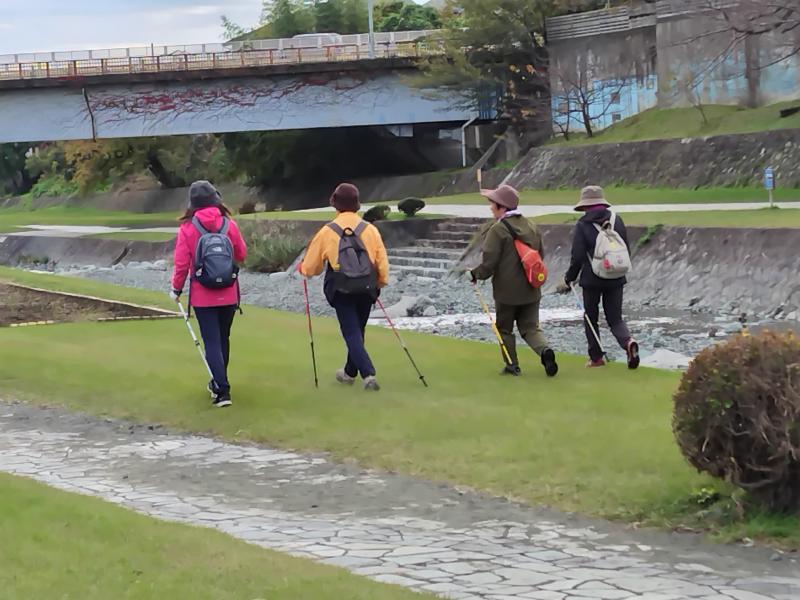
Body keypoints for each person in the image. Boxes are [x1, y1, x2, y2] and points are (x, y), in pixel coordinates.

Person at [299, 183, 389, 391]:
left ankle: (368, 374)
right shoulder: (371, 230)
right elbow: (381, 261)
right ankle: (349, 372)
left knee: (351, 332)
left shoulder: (327, 231)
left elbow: (311, 267)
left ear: (335, 203)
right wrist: (381, 282)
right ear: (357, 204)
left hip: (342, 287)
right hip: (367, 286)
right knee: (358, 329)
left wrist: (303, 269)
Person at [170, 181, 248, 407]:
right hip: (229, 291)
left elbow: (181, 264)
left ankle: (222, 390)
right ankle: (219, 381)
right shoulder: (228, 224)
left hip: (203, 294)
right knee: (223, 338)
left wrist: (176, 289)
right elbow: (241, 254)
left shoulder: (187, 228)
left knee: (211, 341)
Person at [470, 184, 558, 378]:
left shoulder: (498, 230)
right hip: (531, 288)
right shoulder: (532, 226)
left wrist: (474, 274)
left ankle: (512, 366)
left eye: (493, 203)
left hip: (507, 293)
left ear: (502, 207)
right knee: (530, 328)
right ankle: (545, 351)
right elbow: (540, 256)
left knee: (505, 329)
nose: (491, 207)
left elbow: (489, 263)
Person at [556, 185, 639, 369]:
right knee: (615, 318)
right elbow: (625, 248)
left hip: (592, 279)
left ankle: (596, 358)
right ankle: (628, 342)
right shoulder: (617, 220)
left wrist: (569, 279)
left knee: (590, 317)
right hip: (616, 276)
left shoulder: (583, 225)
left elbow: (577, 257)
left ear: (585, 206)